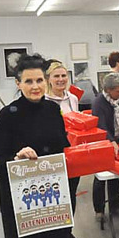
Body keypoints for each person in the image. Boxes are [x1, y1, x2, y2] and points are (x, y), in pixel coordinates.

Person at [0, 53, 75, 238]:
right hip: (22, 207)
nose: (35, 86)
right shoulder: (7, 115)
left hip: (53, 201)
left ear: (46, 81)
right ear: (18, 83)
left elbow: (61, 148)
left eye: (39, 80)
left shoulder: (53, 110)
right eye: (28, 81)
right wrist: (16, 159)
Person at [91, 73, 119, 222]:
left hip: (118, 141)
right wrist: (111, 140)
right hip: (102, 143)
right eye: (118, 91)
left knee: (114, 176)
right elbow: (101, 126)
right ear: (108, 90)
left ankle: (115, 206)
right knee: (100, 178)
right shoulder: (98, 103)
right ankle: (99, 210)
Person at [44, 60, 80, 214]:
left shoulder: (73, 98)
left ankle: (69, 229)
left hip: (72, 152)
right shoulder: (43, 101)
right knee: (55, 194)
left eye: (64, 75)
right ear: (48, 79)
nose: (61, 79)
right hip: (53, 153)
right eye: (56, 76)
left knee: (71, 191)